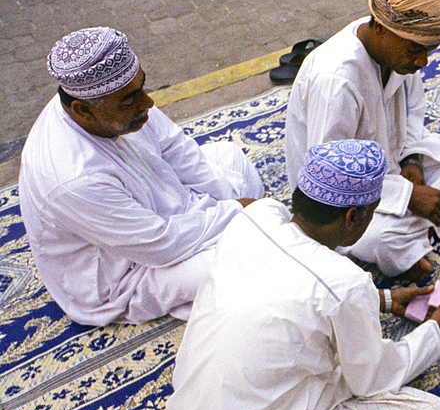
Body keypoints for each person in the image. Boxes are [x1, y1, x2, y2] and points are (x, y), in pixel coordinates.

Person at [167, 140, 440, 410]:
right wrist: (435, 326)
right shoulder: (344, 282)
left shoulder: (255, 217)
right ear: (353, 217)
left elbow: (291, 291)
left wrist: (380, 300)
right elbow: (372, 379)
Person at [18, 27, 263, 326]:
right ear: (83, 111)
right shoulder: (72, 178)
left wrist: (231, 204)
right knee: (252, 252)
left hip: (158, 214)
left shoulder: (114, 98)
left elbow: (175, 146)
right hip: (128, 272)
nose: (148, 103)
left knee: (230, 156)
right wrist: (238, 212)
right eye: (131, 99)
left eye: (142, 87)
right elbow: (160, 244)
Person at [284, 0, 440, 281]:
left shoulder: (402, 52)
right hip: (345, 199)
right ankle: (408, 242)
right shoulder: (336, 79)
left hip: (394, 166)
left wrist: (412, 161)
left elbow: (413, 115)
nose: (423, 61)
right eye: (417, 50)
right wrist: (408, 196)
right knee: (381, 240)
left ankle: (414, 242)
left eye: (429, 50)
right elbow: (331, 174)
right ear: (380, 28)